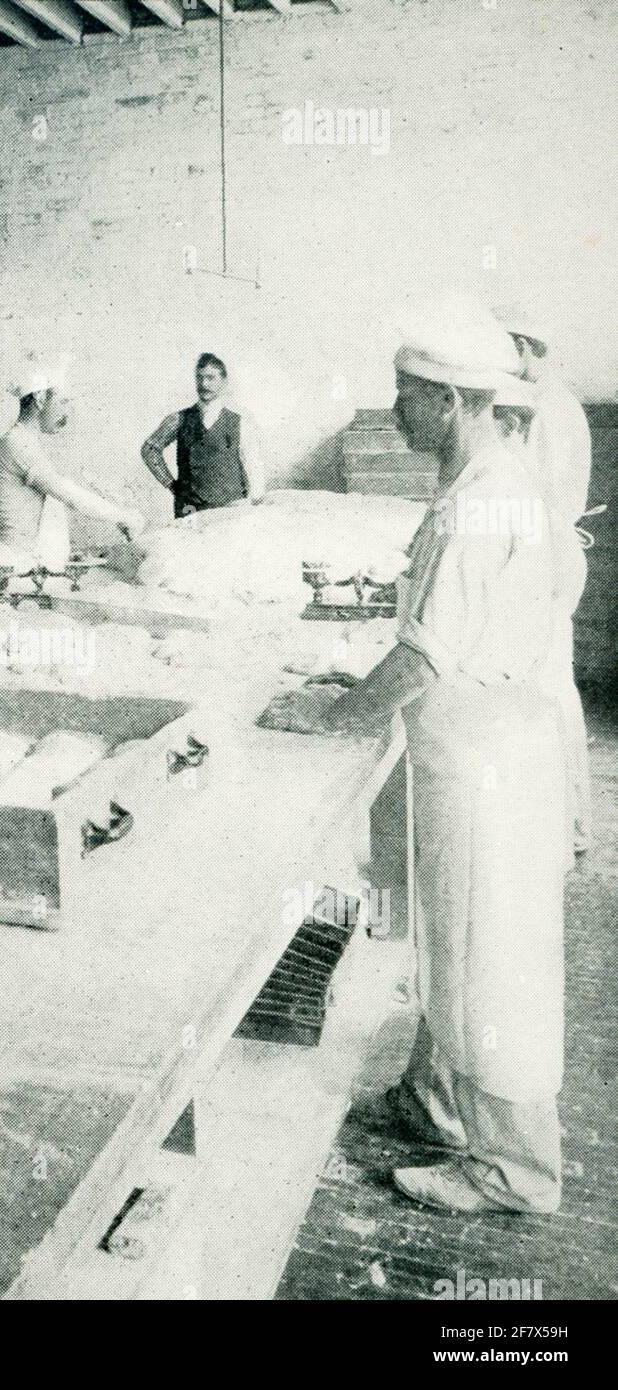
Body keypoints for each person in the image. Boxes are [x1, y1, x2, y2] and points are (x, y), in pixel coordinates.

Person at [262, 299, 566, 1216]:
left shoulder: (484, 503)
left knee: (491, 960)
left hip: (487, 768)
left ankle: (513, 1170)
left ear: (453, 401)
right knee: (449, 942)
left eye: (408, 394)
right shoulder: (483, 480)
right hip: (463, 752)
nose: (396, 410)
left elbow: (428, 653)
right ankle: (434, 1102)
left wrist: (335, 716)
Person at [496, 305, 593, 854]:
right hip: (546, 550)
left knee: (550, 692)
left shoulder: (553, 411)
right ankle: (563, 824)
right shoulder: (543, 404)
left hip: (550, 553)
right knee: (547, 689)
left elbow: (542, 501)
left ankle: (571, 826)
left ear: (527, 348)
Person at [0, 359, 146, 572]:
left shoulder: (25, 442)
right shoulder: (18, 444)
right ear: (40, 399)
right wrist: (122, 516)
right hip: (19, 569)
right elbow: (67, 493)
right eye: (63, 402)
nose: (67, 413)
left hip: (29, 565)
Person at [140, 352, 265, 517]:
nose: (204, 384)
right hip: (189, 510)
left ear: (224, 381)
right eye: (199, 378)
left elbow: (253, 464)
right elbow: (149, 450)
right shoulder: (177, 419)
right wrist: (171, 485)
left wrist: (256, 503)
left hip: (231, 508)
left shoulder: (241, 422)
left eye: (210, 378)